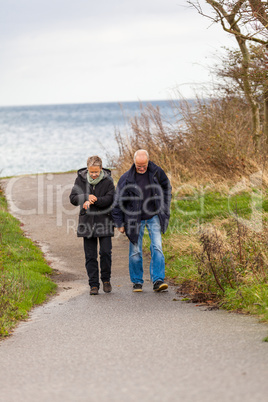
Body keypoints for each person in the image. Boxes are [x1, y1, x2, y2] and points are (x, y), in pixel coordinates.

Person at [112, 149, 172, 292]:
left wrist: (163, 207)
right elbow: (117, 202)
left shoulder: (157, 173)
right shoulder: (126, 178)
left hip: (154, 216)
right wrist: (119, 223)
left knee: (157, 246)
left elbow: (167, 188)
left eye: (144, 164)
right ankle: (137, 282)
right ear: (134, 162)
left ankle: (158, 280)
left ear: (148, 161)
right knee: (135, 250)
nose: (141, 167)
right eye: (139, 165)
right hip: (134, 219)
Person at [70, 155, 115, 295]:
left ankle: (106, 280)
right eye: (91, 172)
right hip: (87, 222)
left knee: (106, 253)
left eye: (96, 172)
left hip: (105, 221)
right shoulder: (80, 180)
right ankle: (93, 285)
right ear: (88, 170)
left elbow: (111, 198)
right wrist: (85, 197)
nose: (94, 174)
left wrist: (95, 200)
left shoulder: (108, 180)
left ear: (101, 169)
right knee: (90, 256)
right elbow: (73, 198)